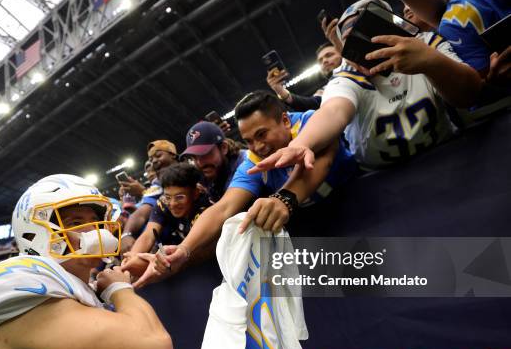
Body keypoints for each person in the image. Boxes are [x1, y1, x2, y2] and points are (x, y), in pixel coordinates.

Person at [0, 174, 173, 349]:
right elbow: (152, 348)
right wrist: (119, 289)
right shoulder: (23, 277)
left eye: (95, 219)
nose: (95, 230)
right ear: (34, 231)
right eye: (76, 223)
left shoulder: (81, 291)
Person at [122, 91, 356, 288]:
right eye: (250, 140)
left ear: (285, 121)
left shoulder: (310, 123)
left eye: (262, 134)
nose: (258, 146)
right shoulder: (253, 161)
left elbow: (325, 149)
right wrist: (184, 249)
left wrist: (283, 198)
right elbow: (224, 208)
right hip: (319, 245)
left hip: (361, 216)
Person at [250, 0, 482, 173]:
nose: (367, 53)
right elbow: (333, 111)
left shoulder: (426, 45)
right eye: (354, 47)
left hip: (450, 157)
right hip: (381, 178)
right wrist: (301, 143)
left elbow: (470, 94)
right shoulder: (347, 76)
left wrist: (431, 63)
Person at [122, 163, 212, 271]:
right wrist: (132, 258)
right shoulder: (163, 202)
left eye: (179, 197)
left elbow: (198, 253)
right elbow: (148, 235)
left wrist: (161, 263)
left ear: (195, 194)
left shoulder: (205, 210)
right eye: (168, 197)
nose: (173, 203)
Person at [121, 141, 178, 253]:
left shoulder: (192, 173)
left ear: (172, 154)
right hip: (163, 248)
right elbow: (142, 213)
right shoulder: (158, 184)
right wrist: (126, 234)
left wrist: (142, 191)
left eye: (158, 156)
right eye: (151, 159)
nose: (154, 161)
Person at [180, 121, 246, 202]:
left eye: (205, 154)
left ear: (224, 148)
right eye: (194, 157)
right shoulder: (204, 174)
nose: (200, 163)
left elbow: (227, 208)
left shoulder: (245, 164)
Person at [266, 43, 342, 111]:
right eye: (320, 61)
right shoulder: (326, 90)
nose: (324, 61)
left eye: (329, 55)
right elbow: (309, 104)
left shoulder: (353, 67)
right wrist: (280, 90)